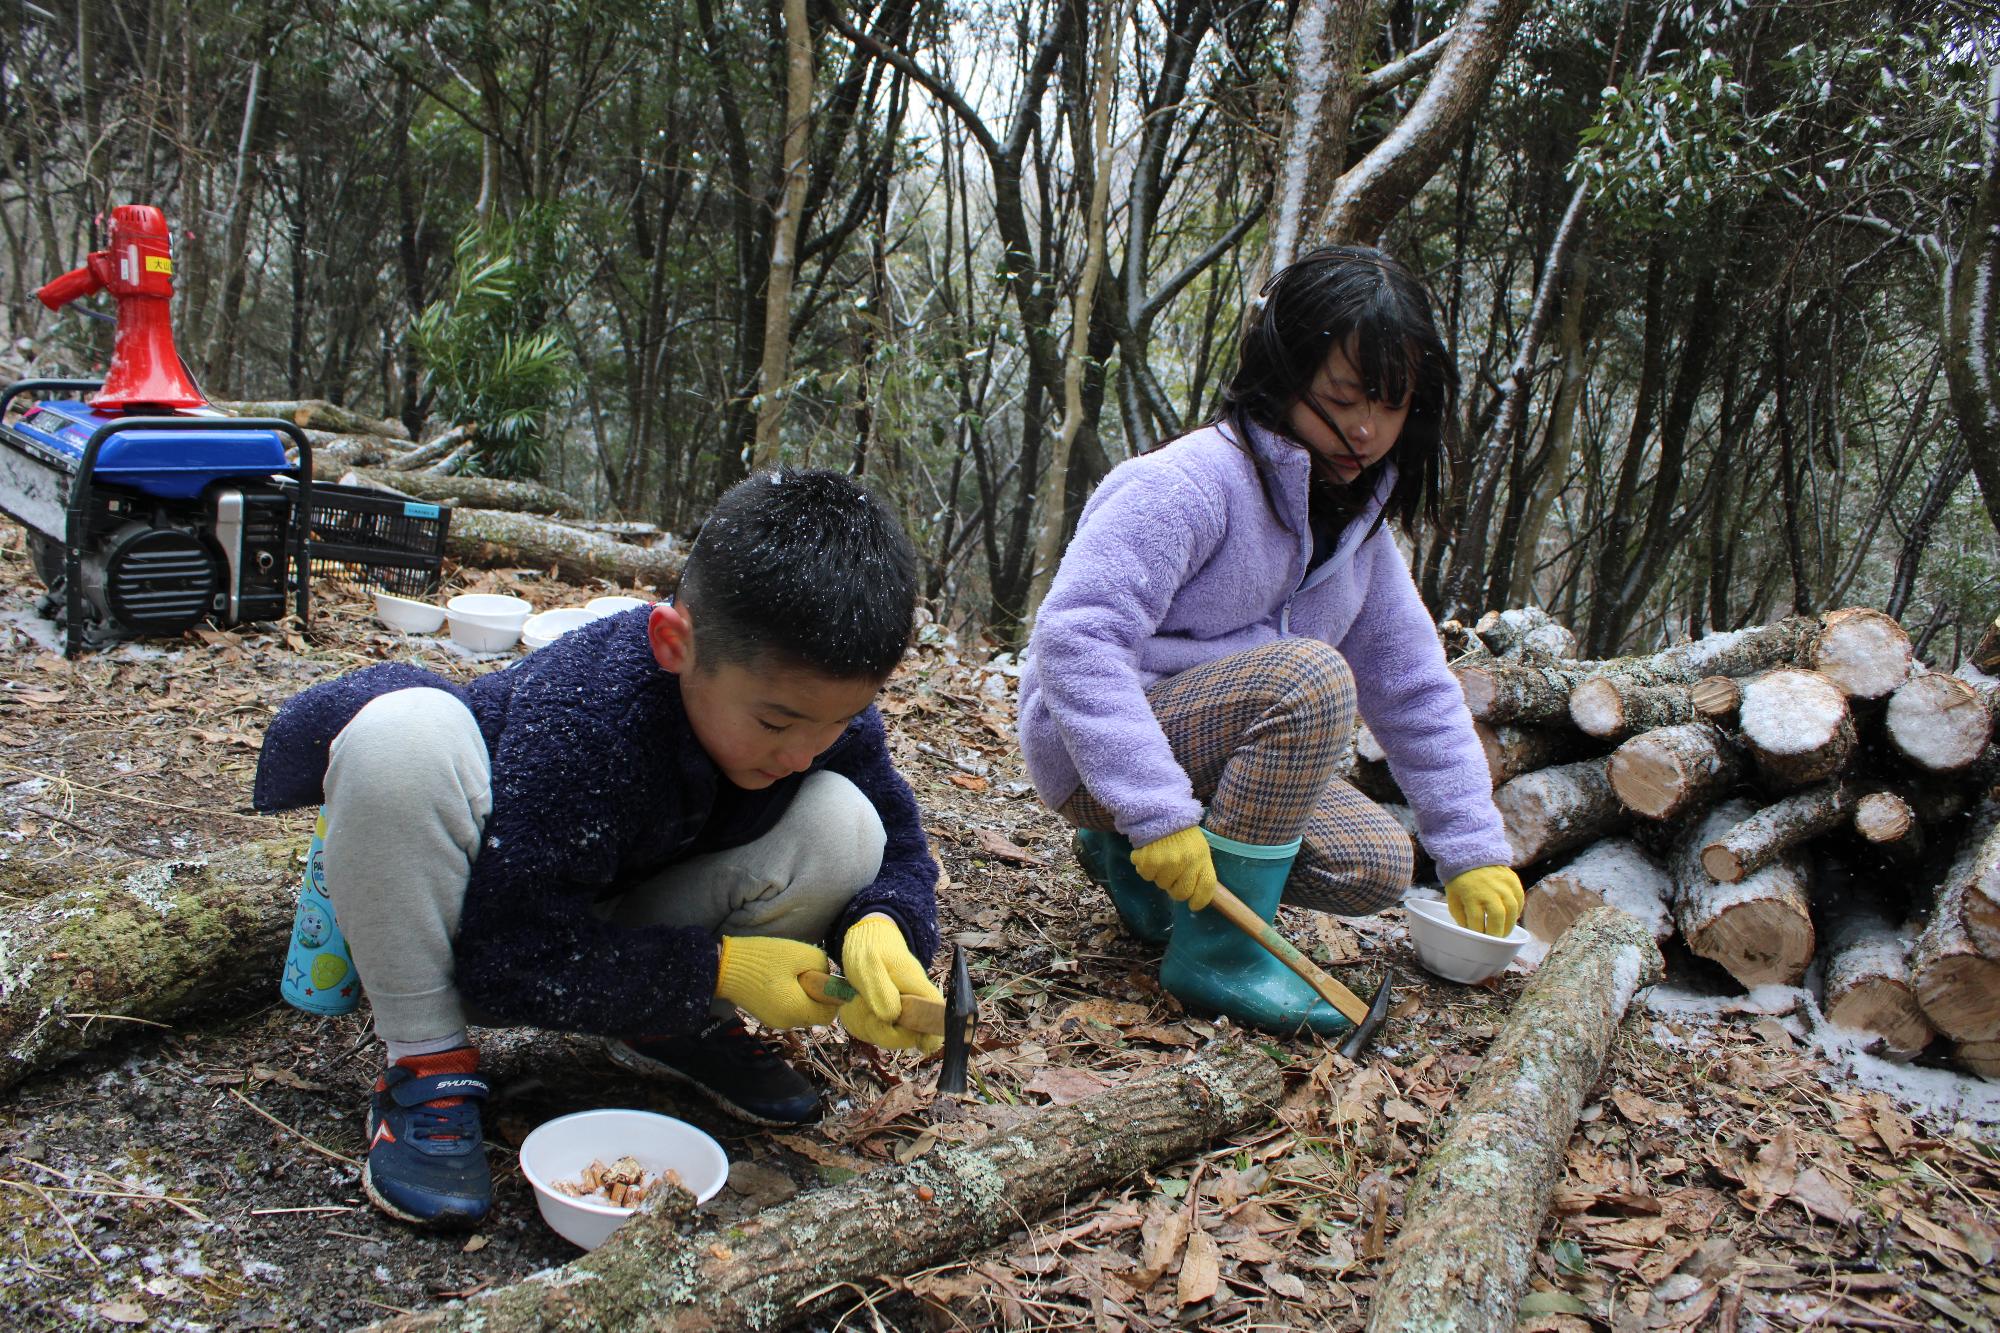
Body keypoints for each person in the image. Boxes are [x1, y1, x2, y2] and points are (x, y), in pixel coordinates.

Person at [253, 469, 944, 1229]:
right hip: (479, 921)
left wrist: (882, 925)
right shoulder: (590, 717)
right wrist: (724, 968)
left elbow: (902, 848)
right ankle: (426, 1065)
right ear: (674, 642)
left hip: (607, 919)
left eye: (839, 721)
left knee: (848, 826)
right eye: (777, 724)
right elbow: (505, 959)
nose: (805, 752)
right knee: (400, 739)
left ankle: (665, 1025)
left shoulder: (814, 720)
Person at [1018, 244, 1523, 1037]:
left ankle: (1131, 872)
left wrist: (1472, 846)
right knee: (1311, 679)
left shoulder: (1360, 538)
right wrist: (1151, 807)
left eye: (1390, 406)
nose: (1365, 429)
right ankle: (1216, 957)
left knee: (1377, 863)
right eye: (1343, 398)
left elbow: (1416, 686)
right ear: (1285, 375)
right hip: (1093, 752)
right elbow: (1076, 637)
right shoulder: (1185, 484)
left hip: (1207, 749)